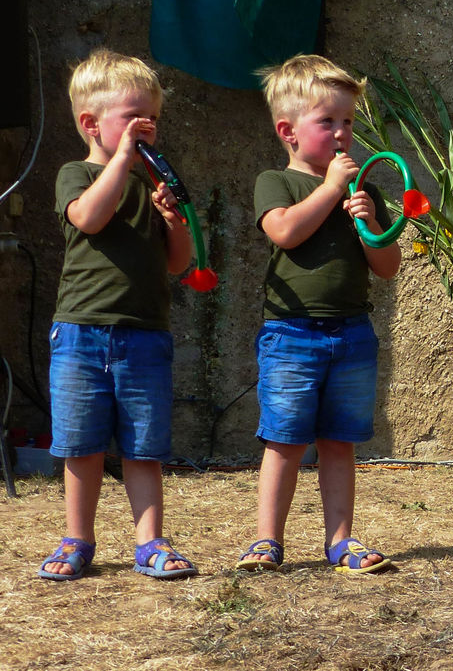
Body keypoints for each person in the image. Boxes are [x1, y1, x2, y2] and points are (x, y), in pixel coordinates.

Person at [235, 55, 401, 574]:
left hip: (351, 333)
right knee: (285, 440)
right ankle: (267, 540)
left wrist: (368, 219)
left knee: (339, 442)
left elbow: (387, 264)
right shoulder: (276, 183)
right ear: (288, 131)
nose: (341, 132)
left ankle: (340, 541)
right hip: (291, 333)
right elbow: (284, 231)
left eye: (348, 121)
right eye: (326, 121)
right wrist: (330, 189)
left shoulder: (364, 192)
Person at [38, 49, 197, 581]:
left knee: (143, 445)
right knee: (80, 444)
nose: (145, 128)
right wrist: (124, 160)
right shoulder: (77, 174)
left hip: (144, 336)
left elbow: (179, 263)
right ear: (90, 123)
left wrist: (172, 220)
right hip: (81, 333)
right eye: (132, 118)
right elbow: (87, 217)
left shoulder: (150, 187)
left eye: (150, 118)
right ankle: (77, 537)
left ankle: (150, 539)